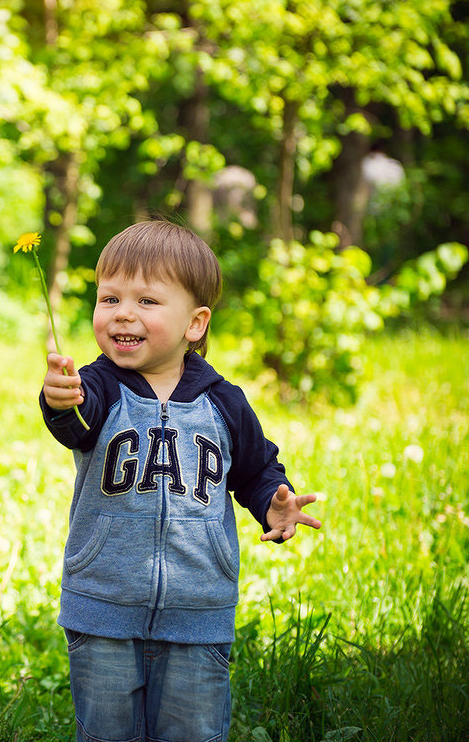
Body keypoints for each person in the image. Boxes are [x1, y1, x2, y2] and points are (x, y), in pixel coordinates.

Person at [39, 220, 322, 742]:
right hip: (104, 604)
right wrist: (59, 400)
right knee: (105, 733)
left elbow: (256, 468)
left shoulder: (224, 401)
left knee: (193, 731)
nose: (122, 312)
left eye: (147, 301)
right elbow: (74, 426)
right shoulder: (97, 386)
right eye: (109, 298)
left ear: (195, 323)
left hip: (199, 608)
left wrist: (272, 503)